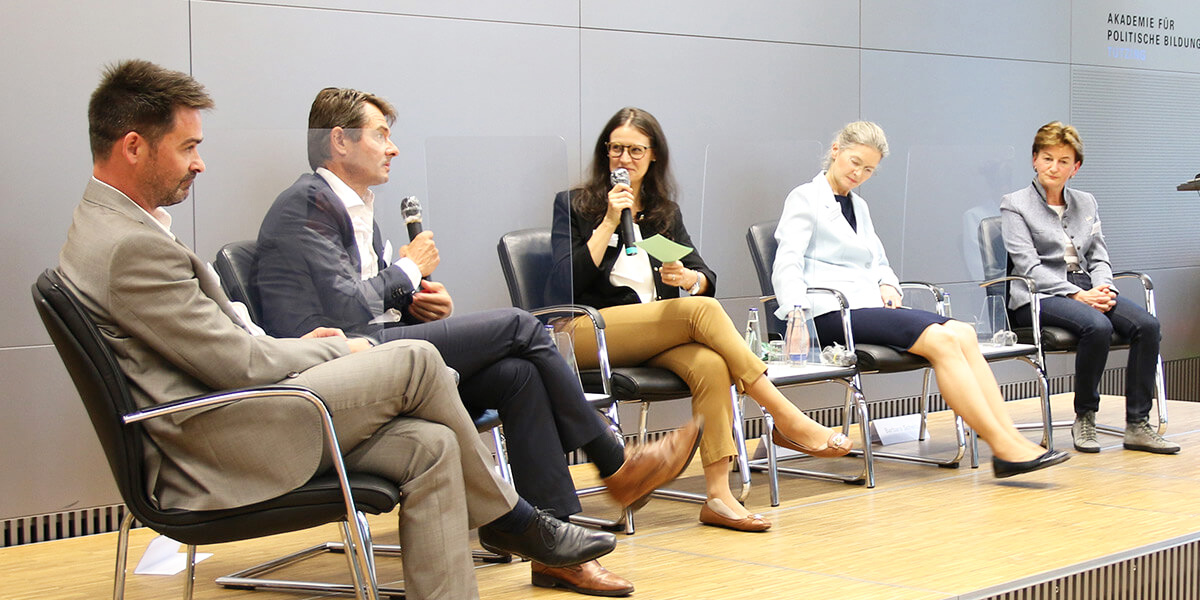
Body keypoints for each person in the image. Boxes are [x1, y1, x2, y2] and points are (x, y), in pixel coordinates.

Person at [59, 59, 617, 600]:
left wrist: (310, 342)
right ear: (133, 145)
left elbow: (221, 341)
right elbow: (238, 364)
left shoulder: (116, 225)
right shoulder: (132, 246)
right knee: (420, 360)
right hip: (218, 444)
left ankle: (514, 530)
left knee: (434, 444)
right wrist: (334, 348)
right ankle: (517, 519)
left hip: (235, 409)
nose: (200, 163)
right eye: (189, 147)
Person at [254, 87, 701, 596]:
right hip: (333, 378)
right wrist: (406, 270)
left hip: (381, 357)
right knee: (520, 326)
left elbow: (370, 304)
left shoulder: (354, 210)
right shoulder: (306, 205)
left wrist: (416, 302)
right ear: (339, 141)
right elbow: (340, 312)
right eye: (381, 135)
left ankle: (554, 549)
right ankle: (615, 462)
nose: (393, 148)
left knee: (519, 374)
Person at [549, 107, 853, 533]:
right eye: (616, 148)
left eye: (636, 150)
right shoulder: (574, 205)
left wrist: (687, 277)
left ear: (653, 156)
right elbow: (562, 284)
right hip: (586, 331)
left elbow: (704, 276)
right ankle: (785, 415)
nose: (625, 158)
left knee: (711, 363)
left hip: (653, 333)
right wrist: (608, 221)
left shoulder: (662, 212)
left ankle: (719, 497)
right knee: (702, 311)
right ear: (606, 153)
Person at [772, 121, 1072, 478]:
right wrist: (794, 315)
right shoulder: (805, 198)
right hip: (829, 311)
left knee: (961, 332)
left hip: (867, 305)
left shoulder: (859, 206)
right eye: (855, 162)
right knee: (943, 340)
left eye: (869, 169)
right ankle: (1003, 446)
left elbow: (878, 261)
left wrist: (888, 285)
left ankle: (1010, 438)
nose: (859, 174)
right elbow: (787, 262)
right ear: (836, 150)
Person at [1001, 122, 1177, 455]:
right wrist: (1077, 295)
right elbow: (1028, 267)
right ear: (1035, 160)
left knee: (1147, 326)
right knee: (1096, 325)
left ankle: (1138, 424)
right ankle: (1085, 416)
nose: (1054, 167)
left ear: (1075, 167)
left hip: (1087, 288)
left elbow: (1099, 258)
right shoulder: (1015, 204)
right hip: (1037, 294)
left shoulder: (1086, 202)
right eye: (1047, 158)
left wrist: (1103, 289)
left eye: (1063, 161)